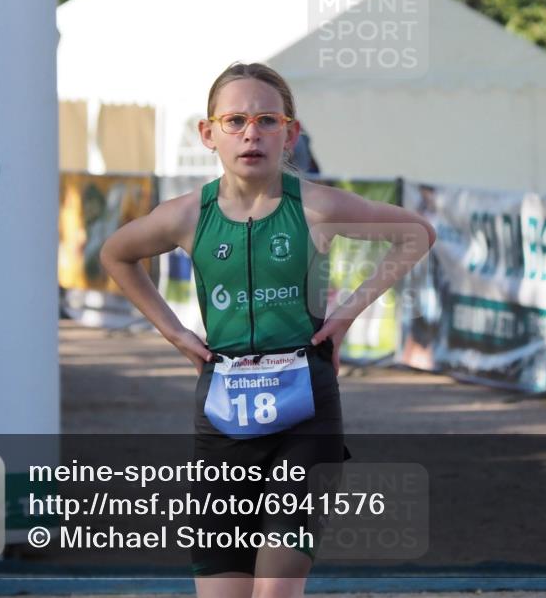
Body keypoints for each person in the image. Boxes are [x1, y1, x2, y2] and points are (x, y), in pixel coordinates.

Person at [100, 62, 435, 597]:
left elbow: (415, 234)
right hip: (222, 415)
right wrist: (176, 334)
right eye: (234, 121)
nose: (251, 133)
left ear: (290, 133)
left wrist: (347, 314)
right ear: (208, 135)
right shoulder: (187, 214)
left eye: (266, 119)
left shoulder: (317, 207)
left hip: (305, 414)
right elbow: (116, 254)